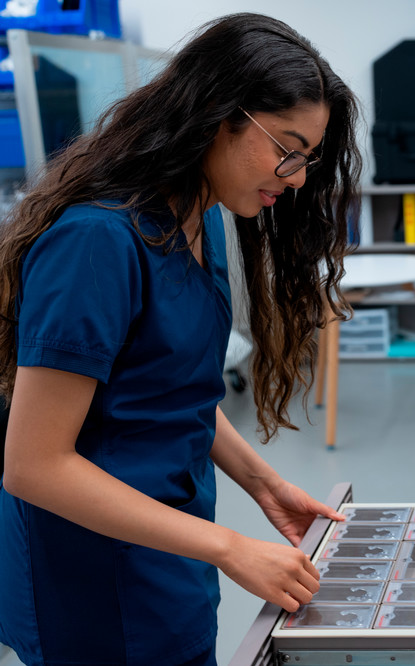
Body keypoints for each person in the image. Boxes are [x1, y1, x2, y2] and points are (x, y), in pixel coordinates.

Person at [0, 12, 362, 666]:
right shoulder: (95, 244)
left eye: (306, 158)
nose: (298, 175)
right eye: (287, 146)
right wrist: (229, 547)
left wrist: (263, 484)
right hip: (95, 585)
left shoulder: (199, 224)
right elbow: (32, 466)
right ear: (221, 115)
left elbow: (168, 390)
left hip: (170, 563)